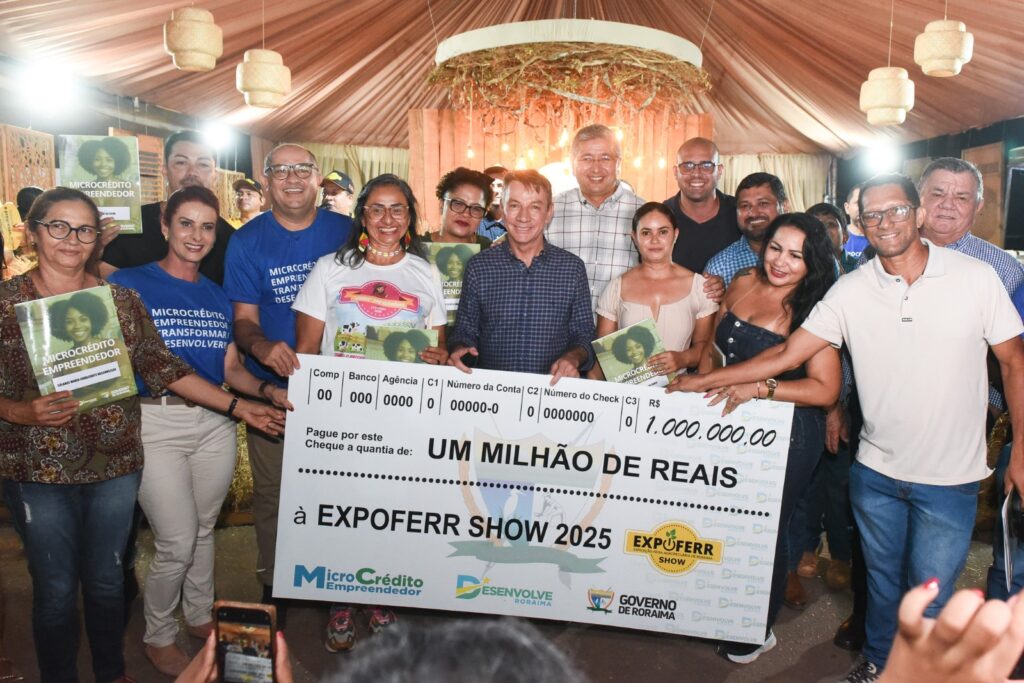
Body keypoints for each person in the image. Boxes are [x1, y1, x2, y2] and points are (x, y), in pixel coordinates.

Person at [672, 174, 1024, 683]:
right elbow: (787, 352)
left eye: (896, 210)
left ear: (919, 214)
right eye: (872, 214)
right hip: (875, 469)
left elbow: (1014, 363)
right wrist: (706, 380)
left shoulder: (976, 277)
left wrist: (1021, 449)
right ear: (861, 223)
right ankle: (878, 664)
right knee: (879, 583)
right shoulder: (851, 289)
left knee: (929, 593)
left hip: (950, 477)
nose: (885, 222)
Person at [0, 187, 283, 683]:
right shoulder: (16, 301)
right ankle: (99, 660)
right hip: (42, 463)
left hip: (116, 457)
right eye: (59, 226)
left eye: (84, 230)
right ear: (33, 232)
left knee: (110, 579)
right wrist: (18, 411)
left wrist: (253, 399)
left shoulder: (123, 300)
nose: (71, 239)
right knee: (57, 588)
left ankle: (116, 669)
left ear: (97, 238)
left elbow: (163, 364)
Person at [107, 186, 292, 677]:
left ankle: (197, 613)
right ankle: (158, 634)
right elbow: (157, 368)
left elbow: (229, 367)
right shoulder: (129, 284)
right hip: (156, 421)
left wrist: (266, 391)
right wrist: (241, 407)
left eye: (207, 226)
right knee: (176, 539)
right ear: (164, 226)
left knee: (204, 529)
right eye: (185, 223)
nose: (197, 235)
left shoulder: (215, 294)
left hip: (213, 425)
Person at [293, 173, 447, 650]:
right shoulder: (330, 269)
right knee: (341, 510)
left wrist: (436, 357)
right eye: (377, 208)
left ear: (410, 216)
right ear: (362, 215)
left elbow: (437, 350)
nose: (387, 218)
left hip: (402, 418)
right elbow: (306, 351)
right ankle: (339, 601)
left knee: (389, 512)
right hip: (342, 417)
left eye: (397, 208)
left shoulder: (425, 273)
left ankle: (379, 595)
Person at [678, 212, 841, 663]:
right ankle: (718, 606)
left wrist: (761, 388)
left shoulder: (815, 308)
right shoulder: (743, 281)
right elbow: (713, 352)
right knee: (720, 522)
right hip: (728, 421)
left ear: (813, 261)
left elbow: (825, 389)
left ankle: (755, 628)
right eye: (776, 248)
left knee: (764, 529)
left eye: (796, 255)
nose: (781, 262)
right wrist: (699, 391)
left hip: (788, 432)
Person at [223, 144, 352, 618]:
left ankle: (338, 581)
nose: (293, 178)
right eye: (281, 170)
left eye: (303, 169)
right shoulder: (246, 241)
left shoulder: (346, 231)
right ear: (266, 180)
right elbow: (243, 320)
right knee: (273, 493)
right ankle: (275, 582)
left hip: (345, 392)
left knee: (341, 491)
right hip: (274, 391)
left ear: (318, 178)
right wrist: (259, 347)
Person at [449, 169, 594, 379]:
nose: (523, 217)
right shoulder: (479, 267)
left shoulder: (572, 269)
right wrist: (460, 347)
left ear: (549, 212)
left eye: (534, 207)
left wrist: (573, 358)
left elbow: (584, 335)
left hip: (552, 392)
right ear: (503, 209)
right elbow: (464, 330)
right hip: (492, 391)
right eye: (514, 205)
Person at [593, 202, 717, 380]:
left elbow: (705, 348)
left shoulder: (701, 287)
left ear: (675, 235)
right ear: (634, 237)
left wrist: (682, 358)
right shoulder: (616, 288)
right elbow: (602, 358)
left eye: (663, 232)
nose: (654, 240)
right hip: (628, 393)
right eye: (646, 233)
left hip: (680, 391)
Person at [100, 130, 235, 284]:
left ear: (215, 174)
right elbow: (104, 285)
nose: (192, 172)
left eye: (203, 164)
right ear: (164, 169)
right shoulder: (130, 225)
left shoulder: (232, 241)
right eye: (181, 162)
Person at [546, 124, 645, 311]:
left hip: (622, 325)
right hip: (561, 326)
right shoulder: (550, 209)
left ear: (618, 164)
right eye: (587, 159)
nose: (596, 168)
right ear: (573, 164)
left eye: (605, 158)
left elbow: (661, 272)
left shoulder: (642, 211)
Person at [665, 137, 742, 274]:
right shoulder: (662, 216)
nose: (696, 174)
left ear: (719, 171)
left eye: (706, 165)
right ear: (676, 172)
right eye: (687, 166)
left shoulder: (741, 212)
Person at [706, 172, 789, 287]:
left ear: (784, 206)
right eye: (745, 206)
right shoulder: (720, 268)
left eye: (763, 203)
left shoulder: (807, 253)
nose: (754, 213)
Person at [425, 167, 493, 248]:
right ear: (442, 205)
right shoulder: (416, 248)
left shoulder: (490, 250)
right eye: (458, 204)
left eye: (476, 209)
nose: (466, 214)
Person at [809, 202, 860, 274]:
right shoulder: (799, 266)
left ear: (845, 236)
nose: (822, 229)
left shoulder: (859, 268)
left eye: (830, 224)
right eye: (815, 225)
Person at [477, 165, 507, 241]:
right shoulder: (475, 224)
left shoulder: (518, 225)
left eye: (500, 185)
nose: (495, 190)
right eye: (491, 186)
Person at [843, 184, 869, 260]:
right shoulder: (838, 237)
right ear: (847, 208)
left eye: (866, 202)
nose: (862, 207)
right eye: (858, 203)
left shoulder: (880, 238)